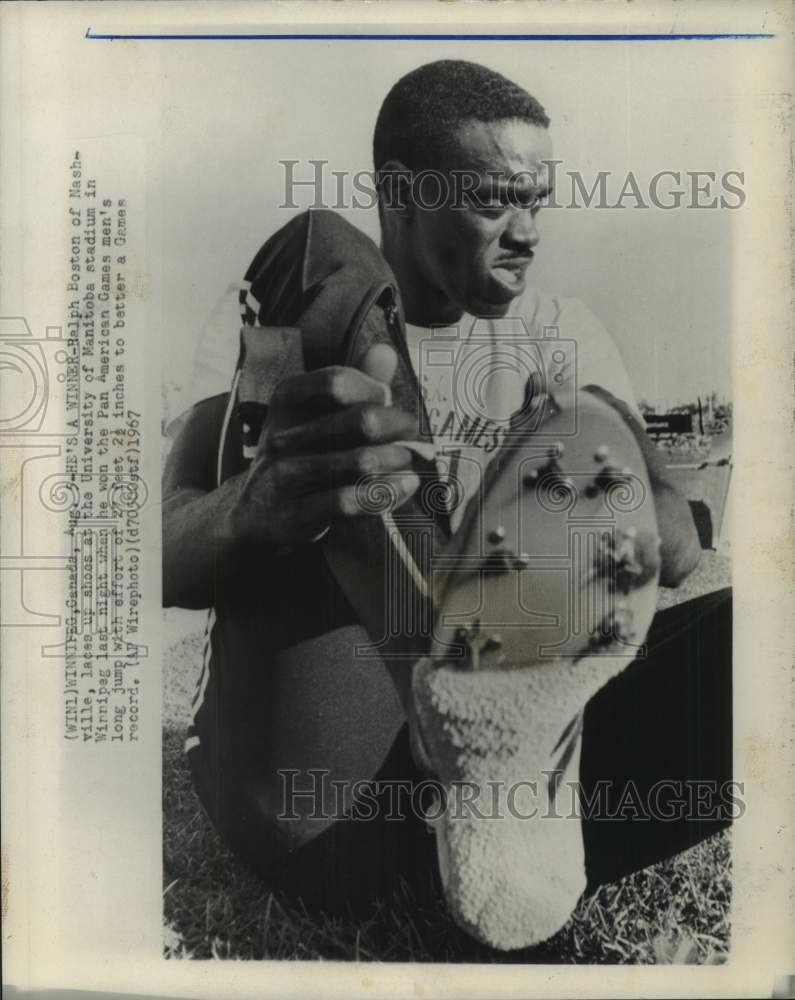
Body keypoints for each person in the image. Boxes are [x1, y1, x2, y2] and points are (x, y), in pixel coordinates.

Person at [163, 60, 731, 949]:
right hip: (326, 788)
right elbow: (163, 556)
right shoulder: (274, 334)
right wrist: (261, 501)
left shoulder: (560, 330)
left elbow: (678, 555)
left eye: (538, 203)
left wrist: (597, 438)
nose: (526, 233)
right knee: (315, 250)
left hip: (489, 819)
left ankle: (487, 769)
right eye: (495, 202)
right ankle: (456, 711)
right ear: (403, 193)